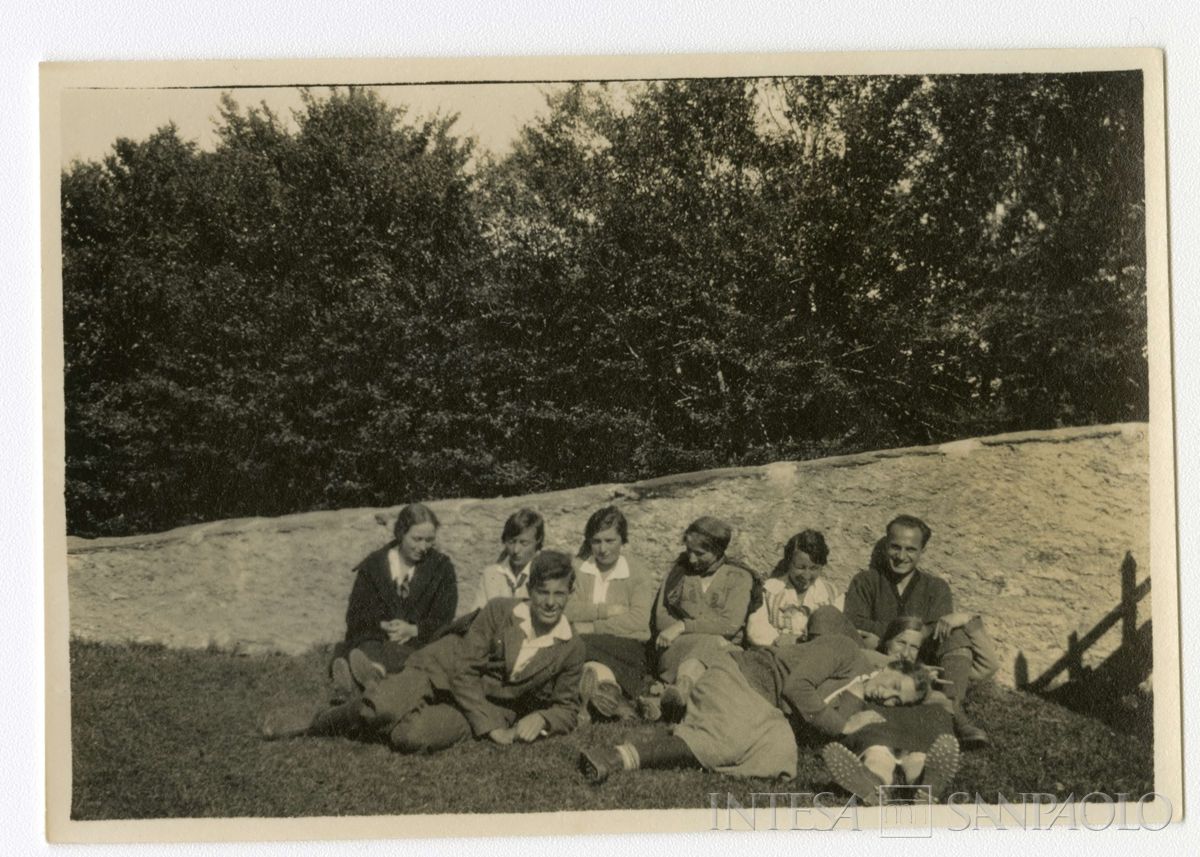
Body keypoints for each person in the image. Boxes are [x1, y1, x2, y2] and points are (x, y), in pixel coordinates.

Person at [262, 551, 586, 753]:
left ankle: (376, 689)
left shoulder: (571, 646)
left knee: (411, 737)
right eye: (543, 592)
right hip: (440, 671)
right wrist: (489, 727)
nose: (550, 602)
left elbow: (567, 707)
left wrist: (542, 716)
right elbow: (465, 669)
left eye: (559, 593)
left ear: (571, 592)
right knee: (381, 710)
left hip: (487, 704)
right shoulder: (500, 611)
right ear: (530, 590)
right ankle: (319, 722)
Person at [577, 627, 955, 793]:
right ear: (888, 666)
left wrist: (853, 717)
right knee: (729, 741)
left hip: (766, 706)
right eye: (893, 686)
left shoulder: (858, 697)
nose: (886, 697)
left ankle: (683, 732)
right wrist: (842, 727)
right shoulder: (844, 650)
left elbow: (811, 720)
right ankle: (619, 755)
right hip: (745, 676)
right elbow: (796, 687)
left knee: (778, 756)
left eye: (896, 700)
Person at [841, 514, 991, 749]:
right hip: (882, 662)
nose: (901, 556)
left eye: (911, 549)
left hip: (922, 663)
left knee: (956, 635)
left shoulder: (936, 588)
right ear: (886, 546)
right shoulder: (866, 581)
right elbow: (854, 623)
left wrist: (911, 635)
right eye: (895, 547)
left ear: (922, 551)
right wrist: (908, 631)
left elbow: (938, 632)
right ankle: (942, 715)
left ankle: (954, 709)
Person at [329, 503, 457, 690]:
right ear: (401, 534)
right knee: (368, 642)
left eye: (429, 540)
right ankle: (370, 674)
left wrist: (414, 629)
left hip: (415, 642)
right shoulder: (374, 566)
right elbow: (356, 614)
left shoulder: (441, 568)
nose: (423, 547)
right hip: (376, 637)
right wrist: (383, 625)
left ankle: (363, 677)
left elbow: (445, 616)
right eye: (417, 539)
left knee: (414, 654)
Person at [565, 507, 657, 721]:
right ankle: (618, 702)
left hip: (625, 645)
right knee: (581, 651)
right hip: (587, 643)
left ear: (623, 541)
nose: (603, 549)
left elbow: (638, 620)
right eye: (596, 541)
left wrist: (593, 625)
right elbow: (567, 608)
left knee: (576, 645)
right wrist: (605, 610)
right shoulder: (579, 569)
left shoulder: (637, 572)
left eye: (610, 541)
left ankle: (599, 698)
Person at [651, 516, 761, 683]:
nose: (691, 559)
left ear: (718, 550)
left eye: (700, 553)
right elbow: (661, 618)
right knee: (713, 641)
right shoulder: (678, 573)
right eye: (689, 550)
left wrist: (683, 626)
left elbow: (729, 625)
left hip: (721, 654)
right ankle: (684, 687)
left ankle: (682, 688)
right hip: (680, 649)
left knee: (713, 645)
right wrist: (697, 632)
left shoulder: (739, 577)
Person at [745, 529, 844, 648]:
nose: (806, 575)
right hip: (777, 653)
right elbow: (756, 629)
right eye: (800, 567)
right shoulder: (769, 590)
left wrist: (801, 641)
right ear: (789, 563)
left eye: (814, 568)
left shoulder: (832, 595)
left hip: (816, 656)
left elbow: (835, 635)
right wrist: (778, 640)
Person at [472, 508, 544, 608]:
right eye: (511, 542)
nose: (515, 550)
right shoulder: (490, 575)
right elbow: (476, 618)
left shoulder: (545, 575)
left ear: (537, 542)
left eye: (524, 543)